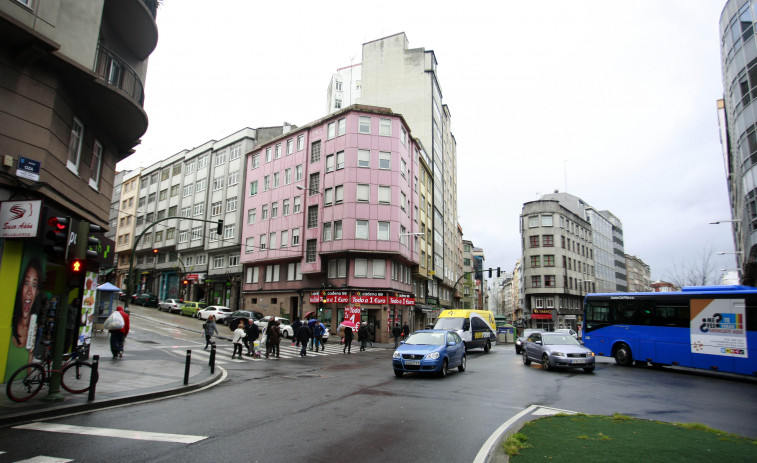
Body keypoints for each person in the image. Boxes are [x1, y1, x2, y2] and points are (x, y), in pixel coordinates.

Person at [12, 258, 43, 356]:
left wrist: (30, 353)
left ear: (37, 292)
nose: (29, 291)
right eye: (26, 283)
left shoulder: (33, 328)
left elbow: (29, 369)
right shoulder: (11, 323)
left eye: (34, 285)